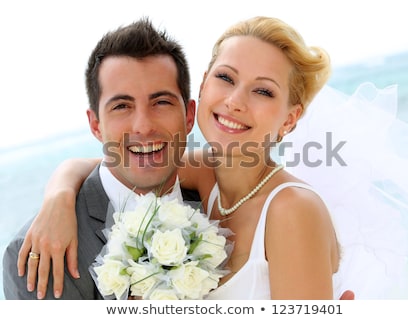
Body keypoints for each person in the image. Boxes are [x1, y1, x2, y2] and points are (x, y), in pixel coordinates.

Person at [6, 16, 356, 300]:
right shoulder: (204, 176)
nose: (235, 101)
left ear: (290, 119)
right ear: (203, 87)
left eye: (263, 90)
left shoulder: (291, 211)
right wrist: (59, 196)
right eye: (226, 78)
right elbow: (114, 162)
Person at [3, 17, 197, 299]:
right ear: (95, 125)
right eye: (122, 106)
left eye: (161, 102)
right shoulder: (39, 255)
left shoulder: (222, 202)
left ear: (189, 116)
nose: (143, 126)